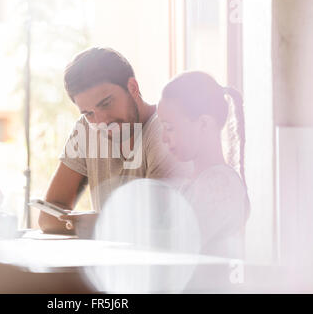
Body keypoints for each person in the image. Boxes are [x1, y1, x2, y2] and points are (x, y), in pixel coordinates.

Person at [39, 47, 188, 235]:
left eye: (106, 103)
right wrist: (98, 224)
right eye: (89, 113)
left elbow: (154, 225)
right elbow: (46, 217)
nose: (102, 122)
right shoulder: (86, 129)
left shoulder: (166, 133)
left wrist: (95, 223)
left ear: (133, 88)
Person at [157, 71, 250, 259]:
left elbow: (177, 246)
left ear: (204, 124)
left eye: (170, 128)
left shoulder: (220, 184)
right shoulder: (193, 182)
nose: (163, 138)